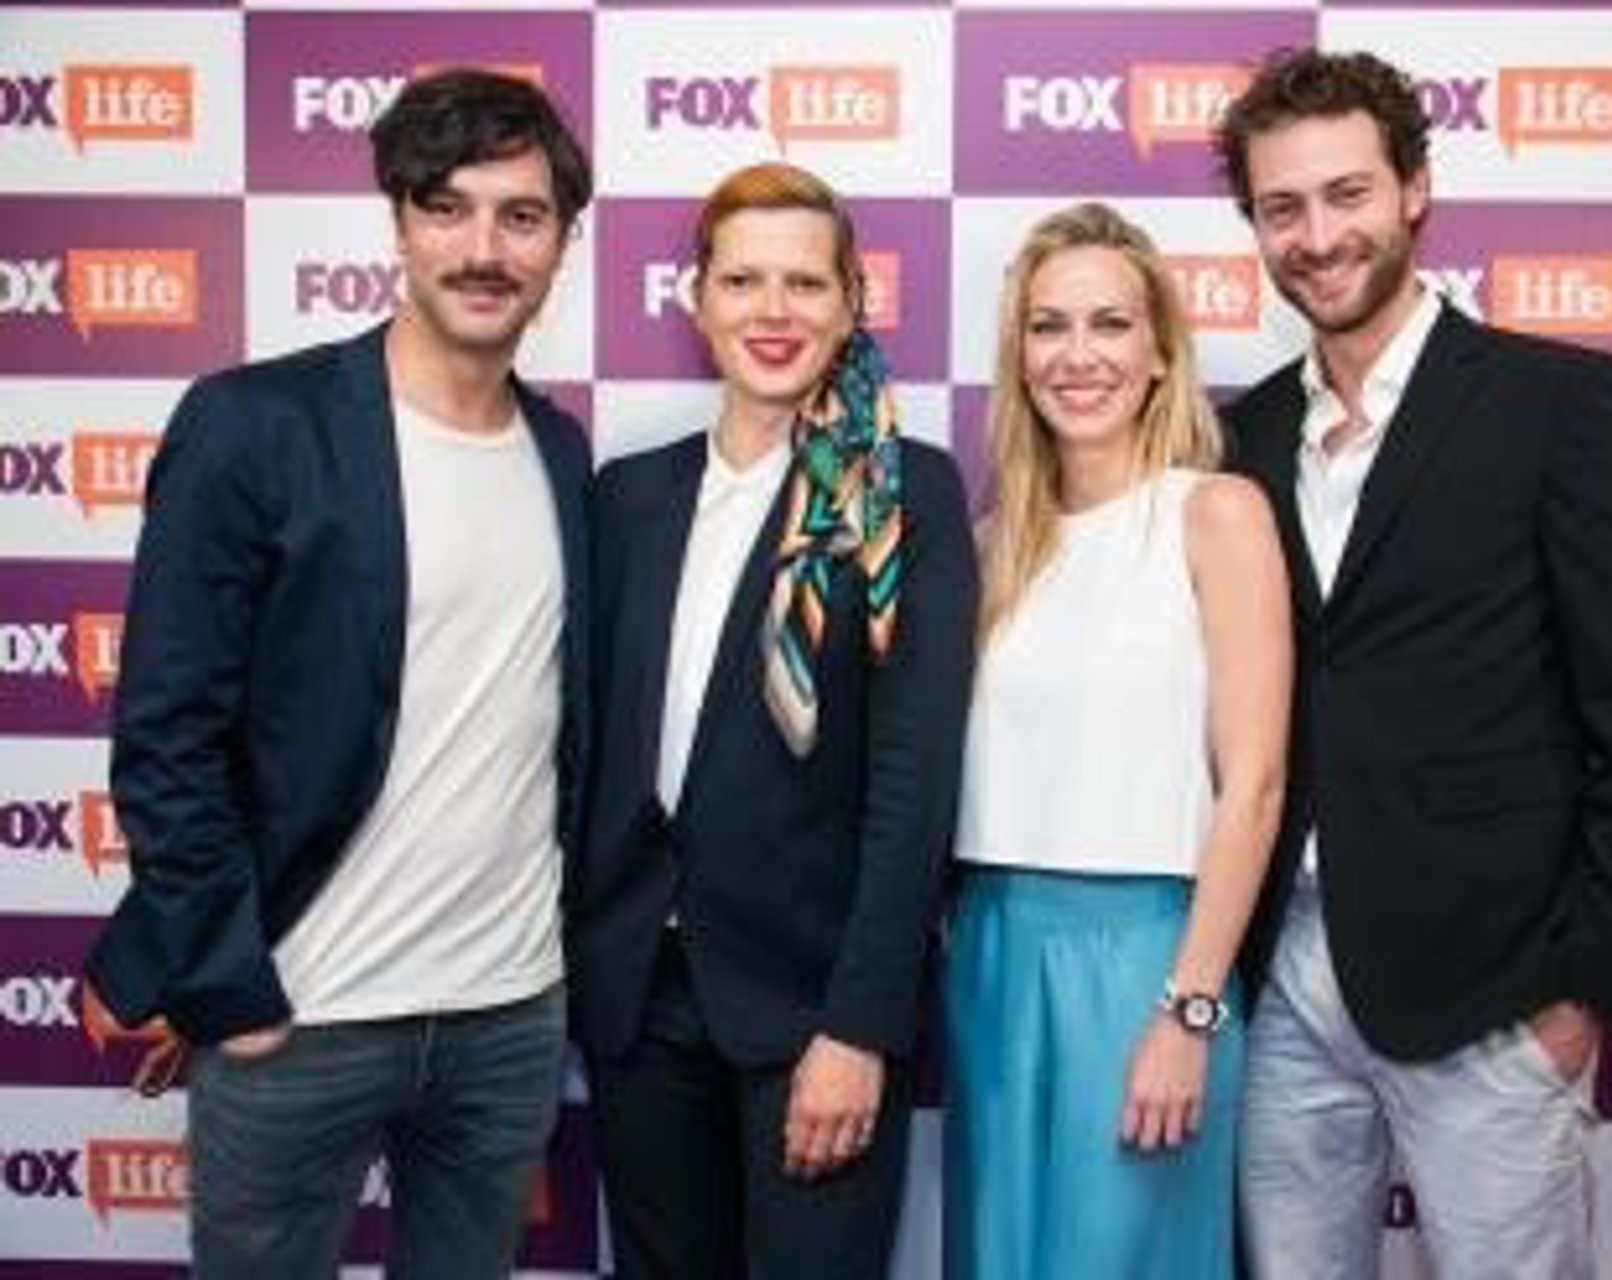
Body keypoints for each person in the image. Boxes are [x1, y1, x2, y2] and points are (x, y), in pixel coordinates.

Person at [81, 69, 593, 1277]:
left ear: (563, 242)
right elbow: (166, 733)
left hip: (508, 1015)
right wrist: (227, 986)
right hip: (303, 1014)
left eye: (521, 216)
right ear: (399, 224)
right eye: (447, 208)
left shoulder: (559, 450)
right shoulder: (255, 425)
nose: (484, 249)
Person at [1215, 48, 1612, 1278]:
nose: (1317, 236)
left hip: (1496, 986)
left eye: (1347, 194)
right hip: (1283, 979)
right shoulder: (1243, 433)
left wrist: (1581, 989)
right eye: (1283, 207)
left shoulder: (1559, 402)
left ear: (1415, 189)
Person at [568, 161, 977, 1280]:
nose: (773, 309)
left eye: (805, 282)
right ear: (696, 299)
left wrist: (862, 1025)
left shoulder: (898, 494)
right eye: (743, 280)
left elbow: (914, 780)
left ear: (851, 305)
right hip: (638, 998)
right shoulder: (625, 495)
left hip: (811, 1005)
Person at [944, 201, 1291, 1280]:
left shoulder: (1217, 512)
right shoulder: (992, 545)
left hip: (1147, 957)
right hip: (990, 953)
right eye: (1048, 326)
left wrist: (1189, 1008)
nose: (1078, 355)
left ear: (1160, 353)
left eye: (1109, 323)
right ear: (1019, 356)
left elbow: (1255, 785)